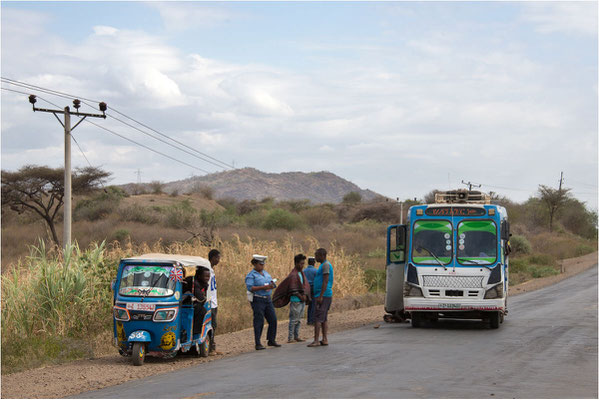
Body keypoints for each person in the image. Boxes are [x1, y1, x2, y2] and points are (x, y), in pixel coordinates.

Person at [245, 254, 281, 350]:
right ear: (255, 264)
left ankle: (271, 340)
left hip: (267, 298)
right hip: (258, 299)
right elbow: (250, 287)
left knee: (273, 319)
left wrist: (272, 285)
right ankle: (258, 343)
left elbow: (271, 283)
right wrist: (263, 287)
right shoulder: (251, 275)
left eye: (263, 264)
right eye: (260, 264)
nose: (262, 266)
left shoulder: (266, 273)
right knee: (259, 321)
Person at [307, 248, 334, 347]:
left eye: (317, 255)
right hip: (322, 294)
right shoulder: (323, 265)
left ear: (322, 255)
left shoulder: (326, 265)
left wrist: (321, 295)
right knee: (323, 318)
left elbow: (325, 281)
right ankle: (324, 339)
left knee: (318, 318)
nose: (315, 257)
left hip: (323, 295)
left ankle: (316, 340)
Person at [283, 254, 310, 342]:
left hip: (301, 300)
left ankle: (296, 336)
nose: (302, 266)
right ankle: (290, 337)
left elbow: (304, 286)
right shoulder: (293, 275)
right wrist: (301, 297)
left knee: (299, 320)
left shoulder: (301, 273)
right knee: (293, 319)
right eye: (301, 264)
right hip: (296, 300)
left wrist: (305, 295)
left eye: (303, 264)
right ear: (296, 263)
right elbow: (292, 289)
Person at [207, 249, 222, 355]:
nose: (218, 260)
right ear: (212, 258)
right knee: (212, 324)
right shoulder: (207, 269)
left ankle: (212, 346)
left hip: (214, 302)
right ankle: (211, 347)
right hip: (210, 302)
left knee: (214, 325)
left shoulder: (212, 270)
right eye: (217, 257)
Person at [303, 257, 318, 325]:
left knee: (309, 303)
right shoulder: (315, 271)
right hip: (313, 287)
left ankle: (309, 320)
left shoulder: (304, 271)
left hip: (306, 288)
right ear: (313, 263)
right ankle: (312, 320)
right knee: (314, 303)